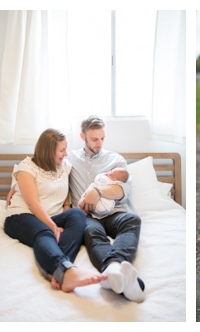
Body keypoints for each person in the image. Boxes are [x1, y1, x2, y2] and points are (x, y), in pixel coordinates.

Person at [3, 128, 107, 292]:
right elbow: (33, 204)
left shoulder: (64, 166)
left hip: (51, 216)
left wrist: (66, 209)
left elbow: (64, 192)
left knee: (78, 214)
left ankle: (58, 272)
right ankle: (68, 271)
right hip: (22, 216)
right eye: (62, 150)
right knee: (44, 232)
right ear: (48, 151)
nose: (66, 153)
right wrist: (52, 227)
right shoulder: (26, 168)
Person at [69, 116, 146, 302]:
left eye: (102, 138)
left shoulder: (116, 160)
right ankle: (116, 272)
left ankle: (113, 267)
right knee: (90, 231)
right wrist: (17, 184)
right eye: (94, 139)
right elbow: (43, 170)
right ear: (83, 136)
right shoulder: (69, 159)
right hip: (88, 216)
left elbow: (123, 191)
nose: (99, 143)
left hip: (114, 212)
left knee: (132, 220)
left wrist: (97, 191)